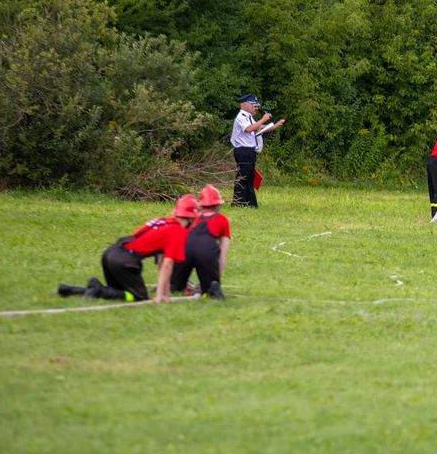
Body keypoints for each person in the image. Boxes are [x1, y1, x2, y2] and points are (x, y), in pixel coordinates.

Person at [57, 194, 198, 303]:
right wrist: (160, 297)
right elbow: (167, 265)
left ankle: (72, 290)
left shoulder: (163, 221)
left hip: (111, 253)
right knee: (139, 298)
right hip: (125, 260)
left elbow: (161, 264)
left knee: (120, 293)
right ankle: (98, 289)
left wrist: (165, 294)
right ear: (191, 218)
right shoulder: (178, 231)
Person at [170, 184, 230, 299]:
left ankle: (176, 285)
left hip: (185, 250)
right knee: (209, 289)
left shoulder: (191, 216)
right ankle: (209, 288)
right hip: (206, 251)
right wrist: (216, 278)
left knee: (175, 287)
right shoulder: (223, 220)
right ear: (218, 204)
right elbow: (223, 252)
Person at [231, 94, 285, 207]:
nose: (256, 108)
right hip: (243, 151)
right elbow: (249, 128)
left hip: (249, 151)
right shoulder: (242, 117)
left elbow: (258, 127)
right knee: (243, 177)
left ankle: (249, 203)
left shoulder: (248, 117)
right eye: (254, 105)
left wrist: (274, 126)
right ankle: (239, 202)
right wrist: (263, 119)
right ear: (245, 104)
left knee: (249, 177)